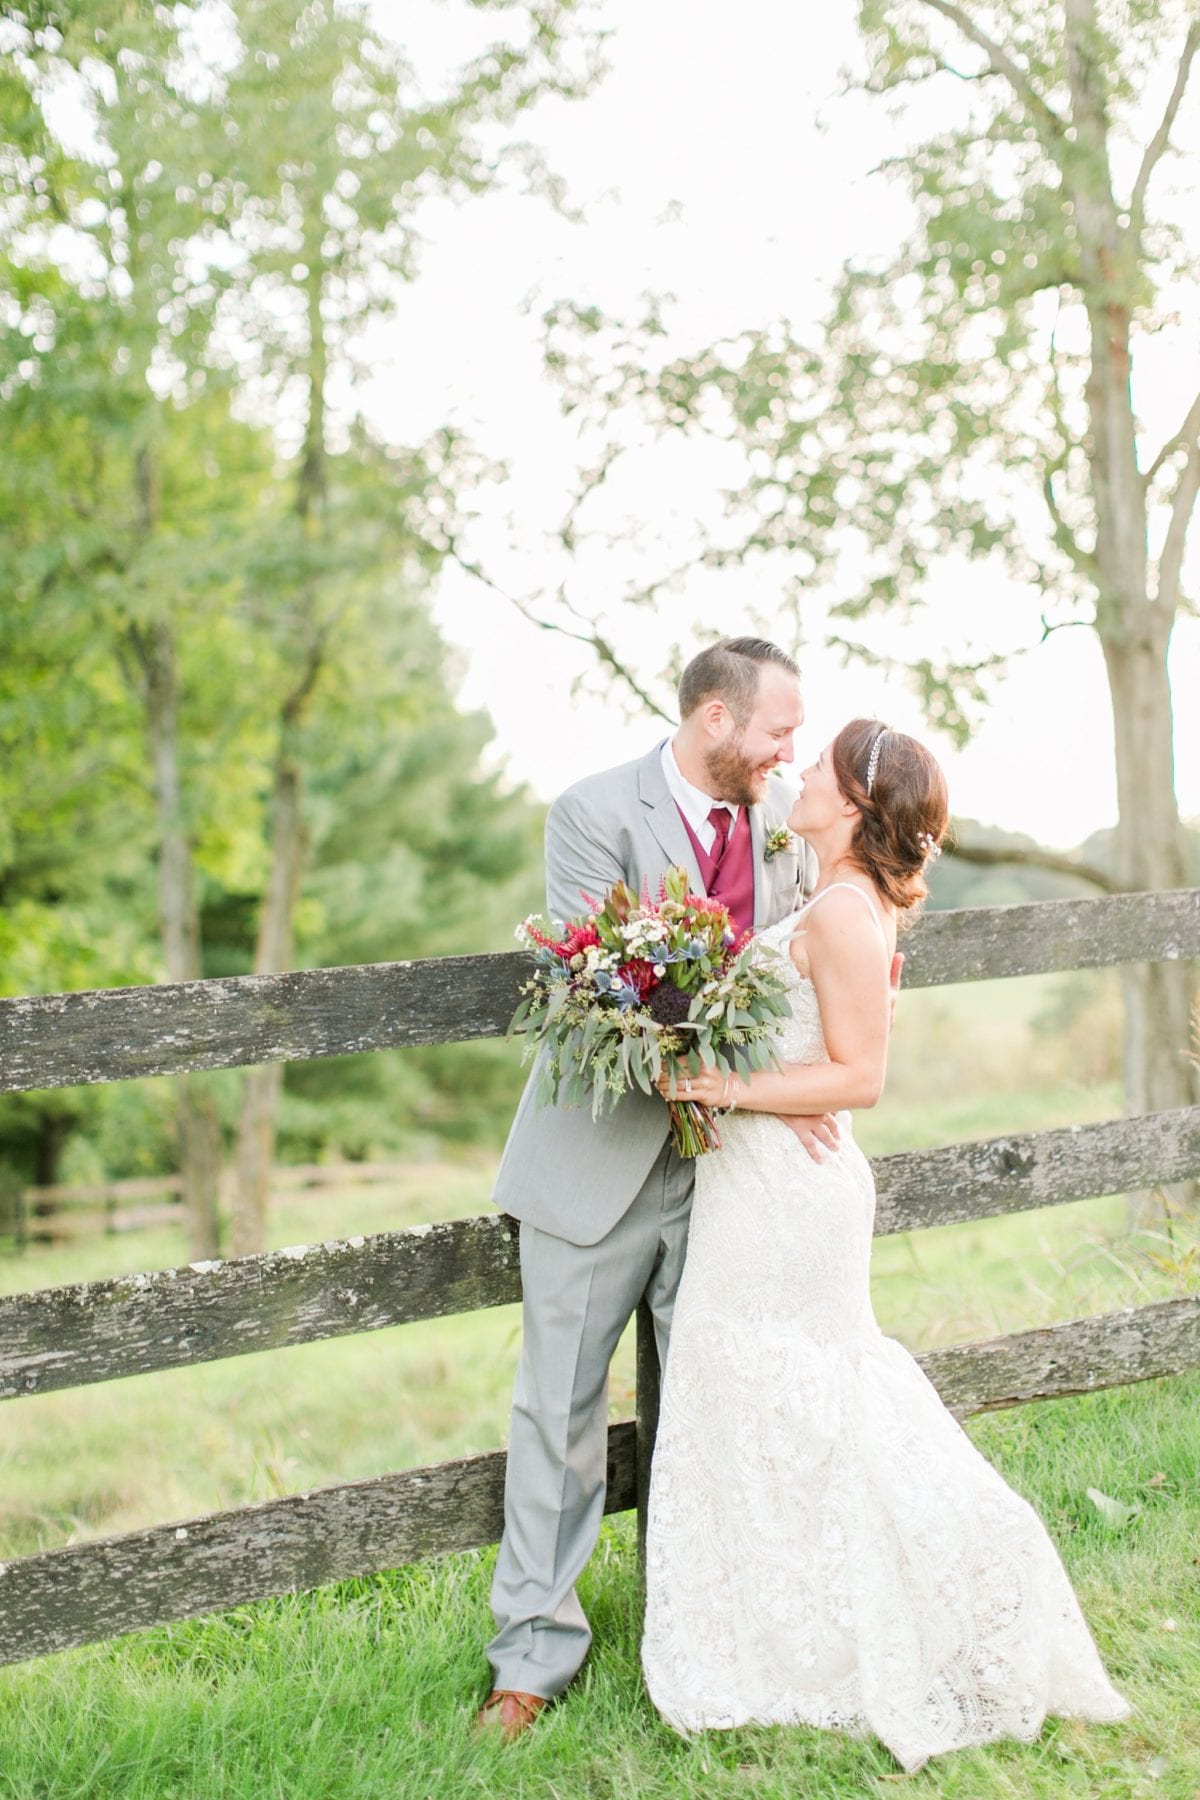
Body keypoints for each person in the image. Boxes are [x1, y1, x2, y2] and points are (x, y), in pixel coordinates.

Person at [641, 718, 1130, 1772]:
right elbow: (812, 1043)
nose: (799, 775)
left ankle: (970, 1579)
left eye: (816, 768)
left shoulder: (846, 912)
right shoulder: (824, 902)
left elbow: (859, 1076)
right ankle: (781, 1621)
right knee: (758, 1395)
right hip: (757, 1185)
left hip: (792, 1199)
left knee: (816, 1394)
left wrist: (732, 1088)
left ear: (856, 804)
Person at [477, 636, 840, 1742]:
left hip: (727, 1172)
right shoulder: (591, 813)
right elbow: (593, 992)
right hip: (595, 1163)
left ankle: (699, 1633)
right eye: (778, 730)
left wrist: (786, 1083)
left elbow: (802, 970)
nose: (791, 751)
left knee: (709, 1410)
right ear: (717, 720)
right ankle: (531, 1661)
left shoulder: (783, 839)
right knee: (561, 1414)